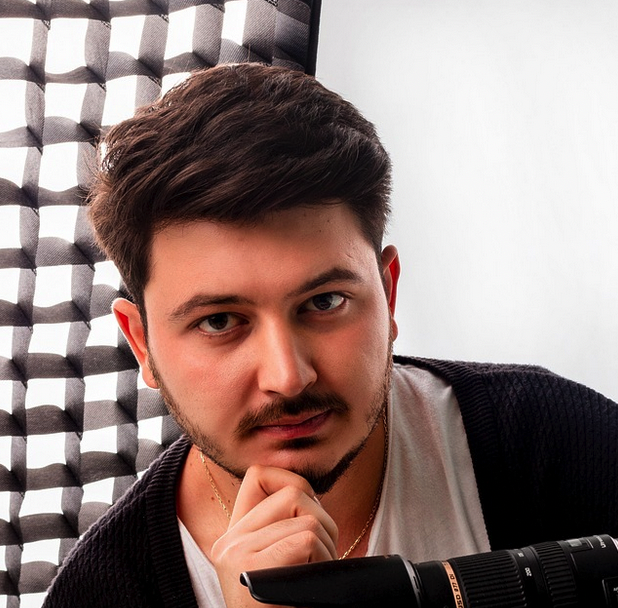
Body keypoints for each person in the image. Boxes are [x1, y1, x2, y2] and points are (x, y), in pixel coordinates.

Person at [43, 63, 618, 608]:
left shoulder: (553, 443)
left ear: (388, 295)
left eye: (324, 302)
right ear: (142, 344)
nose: (289, 377)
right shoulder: (100, 593)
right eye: (219, 321)